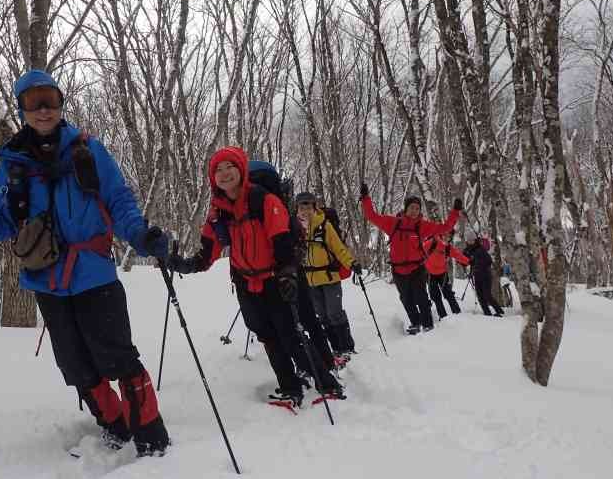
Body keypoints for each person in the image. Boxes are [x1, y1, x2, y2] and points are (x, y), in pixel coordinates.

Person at [0, 69, 172, 456]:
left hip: (94, 274)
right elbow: (1, 221)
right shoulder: (13, 165)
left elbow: (119, 200)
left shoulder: (88, 151)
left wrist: (141, 235)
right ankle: (113, 426)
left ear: (61, 104)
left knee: (117, 356)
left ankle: (150, 436)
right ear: (22, 109)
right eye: (32, 102)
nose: (43, 110)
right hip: (47, 281)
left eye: (50, 100)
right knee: (76, 365)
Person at [168, 147, 344, 406]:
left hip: (274, 279)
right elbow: (208, 250)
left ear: (241, 170)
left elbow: (282, 240)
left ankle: (327, 384)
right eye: (218, 169)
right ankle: (290, 387)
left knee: (290, 334)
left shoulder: (264, 200)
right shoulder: (218, 211)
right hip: (245, 282)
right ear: (212, 177)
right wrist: (184, 265)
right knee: (267, 336)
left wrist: (287, 275)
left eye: (230, 167)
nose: (224, 173)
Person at [359, 183, 461, 334]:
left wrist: (455, 211)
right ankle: (415, 323)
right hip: (398, 270)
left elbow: (445, 228)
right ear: (406, 208)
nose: (414, 211)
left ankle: (427, 324)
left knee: (421, 297)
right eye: (412, 207)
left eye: (417, 208)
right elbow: (371, 216)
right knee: (406, 299)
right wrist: (366, 198)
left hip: (417, 269)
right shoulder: (393, 223)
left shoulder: (422, 226)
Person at [296, 192, 359, 356]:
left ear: (314, 207)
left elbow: (338, 248)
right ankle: (336, 348)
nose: (305, 211)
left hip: (329, 276)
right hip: (310, 280)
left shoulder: (324, 225)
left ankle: (347, 347)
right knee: (322, 316)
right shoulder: (295, 228)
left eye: (308, 206)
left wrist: (351, 263)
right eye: (302, 207)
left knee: (334, 313)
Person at [422, 230, 469, 319]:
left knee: (449, 294)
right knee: (436, 297)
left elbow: (458, 255)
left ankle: (458, 314)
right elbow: (419, 251)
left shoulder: (448, 248)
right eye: (445, 235)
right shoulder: (432, 243)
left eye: (449, 236)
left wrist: (469, 261)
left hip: (442, 274)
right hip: (430, 275)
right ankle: (443, 317)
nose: (446, 238)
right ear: (440, 234)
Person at [463, 229, 505, 317]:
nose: (470, 242)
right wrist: (466, 261)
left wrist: (476, 262)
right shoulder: (468, 250)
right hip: (476, 275)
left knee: (487, 295)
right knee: (480, 296)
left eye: (472, 240)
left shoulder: (480, 248)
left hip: (485, 275)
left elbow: (488, 261)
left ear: (475, 240)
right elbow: (464, 260)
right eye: (468, 240)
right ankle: (487, 314)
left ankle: (499, 311)